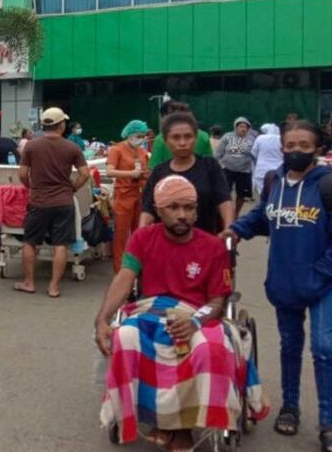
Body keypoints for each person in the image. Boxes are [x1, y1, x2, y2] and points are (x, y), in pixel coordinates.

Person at [95, 176, 267, 450]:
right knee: (126, 337)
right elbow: (125, 277)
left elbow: (217, 301)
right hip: (151, 309)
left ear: (197, 211)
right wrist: (102, 319)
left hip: (200, 314)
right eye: (173, 208)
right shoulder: (142, 238)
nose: (182, 215)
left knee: (210, 347)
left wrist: (196, 321)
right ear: (159, 211)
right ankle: (160, 419)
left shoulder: (212, 246)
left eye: (188, 208)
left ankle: (183, 425)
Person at [224, 120, 332, 447]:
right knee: (290, 347)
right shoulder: (274, 183)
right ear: (281, 147)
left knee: (324, 349)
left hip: (324, 282)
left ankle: (328, 421)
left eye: (304, 146)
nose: (296, 151)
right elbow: (262, 217)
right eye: (290, 145)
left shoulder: (326, 184)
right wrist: (235, 231)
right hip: (285, 281)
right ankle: (290, 407)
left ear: (318, 149)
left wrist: (320, 272)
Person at [14, 108, 90, 298]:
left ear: (44, 125)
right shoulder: (72, 147)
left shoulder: (31, 147)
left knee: (30, 242)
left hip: (38, 201)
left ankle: (29, 283)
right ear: (62, 125)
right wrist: (72, 188)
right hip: (64, 202)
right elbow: (85, 174)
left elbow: (22, 174)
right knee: (60, 245)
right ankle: (54, 287)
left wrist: (31, 187)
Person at [141, 112, 233, 235]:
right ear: (166, 140)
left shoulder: (209, 166)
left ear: (195, 138)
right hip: (167, 245)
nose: (183, 143)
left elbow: (224, 200)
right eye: (176, 137)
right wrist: (140, 235)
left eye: (188, 136)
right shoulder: (159, 172)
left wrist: (229, 228)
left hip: (205, 243)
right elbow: (148, 209)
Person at [105, 120, 150, 273]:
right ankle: (119, 270)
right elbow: (110, 171)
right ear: (130, 135)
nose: (142, 139)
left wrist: (145, 176)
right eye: (139, 136)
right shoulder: (117, 150)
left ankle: (137, 268)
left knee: (139, 234)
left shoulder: (142, 152)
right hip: (123, 196)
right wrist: (130, 174)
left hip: (140, 195)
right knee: (121, 236)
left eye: (143, 136)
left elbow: (146, 172)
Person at [148, 101, 214, 168]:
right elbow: (210, 164)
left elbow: (154, 168)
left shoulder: (160, 139)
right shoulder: (204, 136)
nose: (182, 143)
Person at [216, 117, 256, 213]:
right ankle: (224, 212)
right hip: (227, 169)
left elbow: (255, 155)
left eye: (246, 127)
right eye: (241, 126)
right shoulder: (227, 136)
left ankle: (236, 213)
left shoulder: (252, 140)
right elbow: (218, 153)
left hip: (244, 171)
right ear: (236, 127)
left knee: (242, 194)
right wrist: (221, 166)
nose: (243, 129)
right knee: (225, 192)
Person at [252, 123, 283, 196]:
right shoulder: (281, 139)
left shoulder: (260, 138)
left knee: (263, 194)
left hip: (261, 170)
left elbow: (253, 152)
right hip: (278, 170)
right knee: (276, 193)